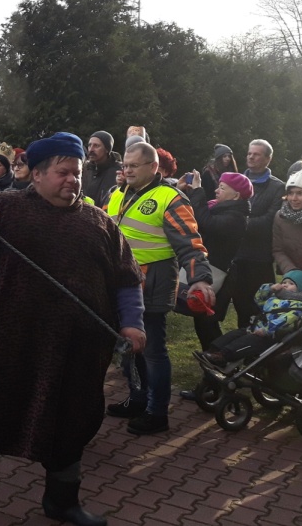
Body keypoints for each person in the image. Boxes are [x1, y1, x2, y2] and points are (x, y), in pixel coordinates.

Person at [0, 132, 145, 526]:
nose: (72, 179)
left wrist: (133, 323)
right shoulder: (3, 206)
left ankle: (61, 501)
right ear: (35, 175)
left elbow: (126, 278)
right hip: (14, 342)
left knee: (73, 420)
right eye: (63, 172)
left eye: (78, 172)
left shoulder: (99, 223)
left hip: (80, 349)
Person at [105, 142, 214, 435]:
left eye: (133, 166)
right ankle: (138, 399)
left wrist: (201, 278)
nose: (126, 170)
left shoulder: (170, 198)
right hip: (122, 284)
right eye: (125, 165)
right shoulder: (117, 194)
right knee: (129, 347)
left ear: (153, 168)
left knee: (152, 350)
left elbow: (190, 243)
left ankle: (157, 413)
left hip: (153, 283)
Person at [179, 171, 252, 352]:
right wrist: (183, 191)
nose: (217, 191)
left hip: (214, 273)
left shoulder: (236, 218)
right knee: (202, 322)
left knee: (207, 323)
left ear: (236, 195)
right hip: (206, 268)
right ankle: (215, 359)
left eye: (222, 187)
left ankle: (219, 359)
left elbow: (204, 223)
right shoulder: (218, 208)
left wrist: (198, 190)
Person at [230, 140, 285, 329]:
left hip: (259, 257)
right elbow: (221, 208)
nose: (251, 157)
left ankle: (258, 351)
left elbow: (269, 221)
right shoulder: (234, 181)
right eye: (249, 153)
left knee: (260, 305)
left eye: (257, 154)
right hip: (235, 254)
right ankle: (239, 345)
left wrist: (236, 222)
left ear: (268, 159)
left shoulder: (277, 187)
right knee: (239, 303)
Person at [203, 270, 302, 366]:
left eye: (291, 284)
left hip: (268, 336)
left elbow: (286, 320)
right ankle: (213, 349)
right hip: (254, 328)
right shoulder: (276, 298)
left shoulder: (299, 306)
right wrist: (269, 288)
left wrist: (267, 330)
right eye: (284, 282)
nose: (285, 285)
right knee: (234, 334)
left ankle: (223, 356)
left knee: (245, 342)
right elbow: (259, 299)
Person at [81, 130, 122, 208]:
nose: (91, 149)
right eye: (89, 145)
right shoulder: (84, 169)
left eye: (96, 146)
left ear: (107, 149)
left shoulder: (118, 171)